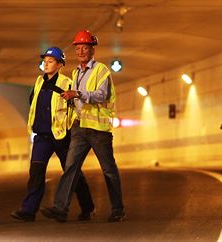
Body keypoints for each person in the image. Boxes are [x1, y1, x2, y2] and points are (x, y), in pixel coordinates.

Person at [40, 30, 125, 223]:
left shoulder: (102, 70)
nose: (80, 51)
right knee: (70, 167)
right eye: (78, 48)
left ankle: (118, 209)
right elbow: (78, 98)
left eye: (84, 48)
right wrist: (71, 99)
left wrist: (77, 94)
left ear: (92, 50)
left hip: (99, 130)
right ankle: (60, 209)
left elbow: (101, 95)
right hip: (80, 127)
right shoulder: (75, 72)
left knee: (108, 169)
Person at [10, 47, 95, 222]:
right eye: (45, 61)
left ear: (59, 64)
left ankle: (87, 207)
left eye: (50, 61)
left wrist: (71, 129)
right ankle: (28, 210)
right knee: (36, 172)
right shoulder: (38, 82)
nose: (46, 64)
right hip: (42, 137)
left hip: (61, 136)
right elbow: (32, 103)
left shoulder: (67, 82)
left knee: (72, 173)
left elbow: (75, 108)